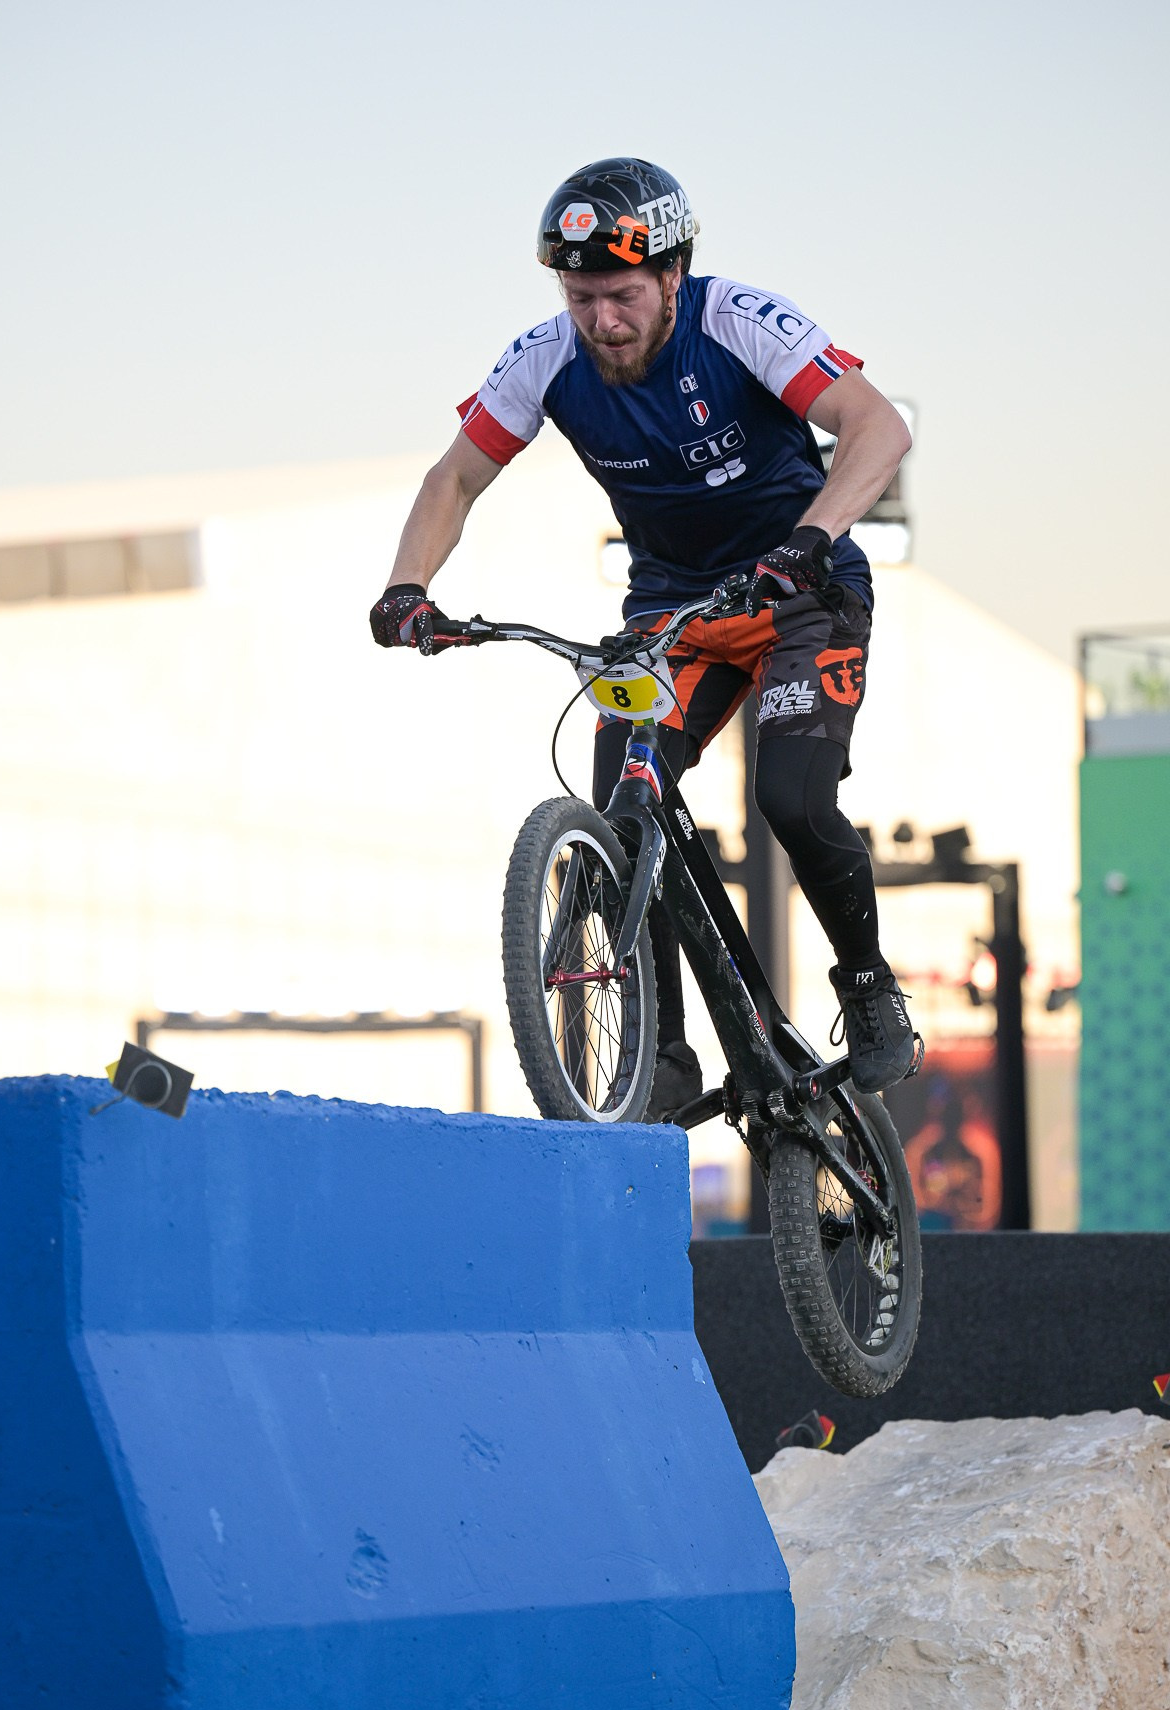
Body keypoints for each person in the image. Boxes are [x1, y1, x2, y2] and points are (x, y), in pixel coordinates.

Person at [372, 156, 917, 1114]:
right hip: (673, 619)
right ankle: (660, 1054)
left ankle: (868, 994)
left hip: (798, 592)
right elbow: (452, 480)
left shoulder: (740, 321)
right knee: (625, 806)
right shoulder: (545, 357)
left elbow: (876, 430)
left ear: (672, 273)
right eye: (580, 298)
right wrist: (407, 588)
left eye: (621, 295)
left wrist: (809, 540)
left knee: (791, 799)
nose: (602, 321)